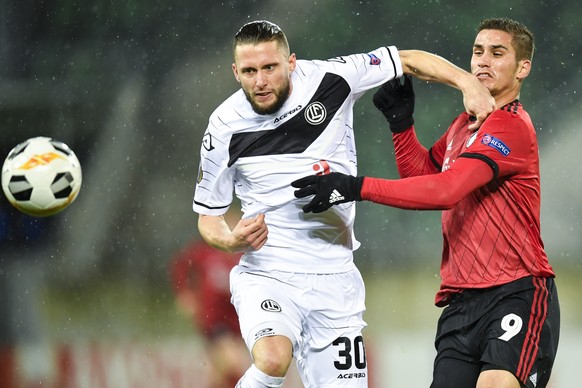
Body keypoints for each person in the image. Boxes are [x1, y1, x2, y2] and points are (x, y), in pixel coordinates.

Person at [192, 20, 494, 388]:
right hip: (268, 273)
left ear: (291, 62)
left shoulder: (332, 78)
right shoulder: (223, 125)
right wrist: (231, 241)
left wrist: (468, 83)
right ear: (236, 72)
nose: (260, 81)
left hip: (336, 279)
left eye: (269, 68)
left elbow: (408, 60)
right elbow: (209, 218)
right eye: (250, 71)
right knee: (272, 360)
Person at [292, 17, 560, 388]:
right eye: (478, 51)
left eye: (498, 53)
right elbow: (424, 178)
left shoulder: (512, 125)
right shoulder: (462, 126)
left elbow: (445, 191)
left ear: (523, 68)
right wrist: (402, 125)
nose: (483, 61)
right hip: (462, 303)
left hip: (515, 293)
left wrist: (355, 187)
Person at [169, 239, 250, 387]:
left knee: (220, 372)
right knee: (234, 363)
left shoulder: (244, 257)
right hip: (214, 320)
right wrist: (185, 293)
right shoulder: (204, 252)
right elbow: (180, 265)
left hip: (237, 323)